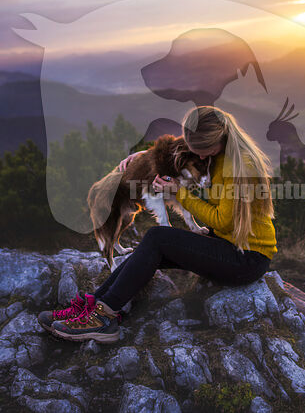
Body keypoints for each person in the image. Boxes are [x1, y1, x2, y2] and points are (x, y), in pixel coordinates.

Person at [39, 106, 277, 343]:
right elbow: (172, 148)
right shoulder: (218, 150)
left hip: (245, 260)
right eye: (197, 151)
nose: (201, 157)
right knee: (149, 249)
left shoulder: (238, 166)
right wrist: (140, 158)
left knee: (156, 237)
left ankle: (104, 318)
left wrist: (180, 193)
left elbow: (221, 220)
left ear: (215, 140)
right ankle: (92, 307)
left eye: (203, 151)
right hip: (227, 244)